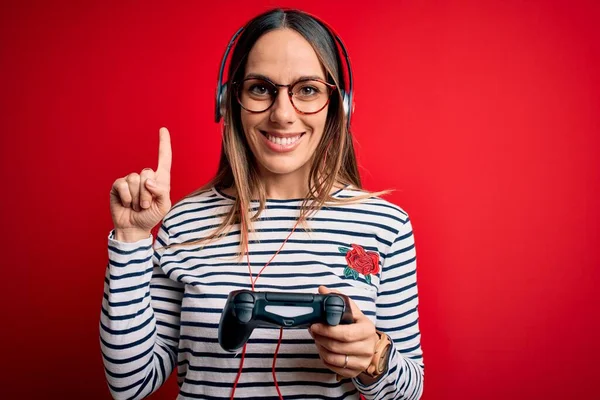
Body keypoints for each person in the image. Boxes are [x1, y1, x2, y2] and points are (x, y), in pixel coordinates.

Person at [100, 8, 424, 400]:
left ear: (340, 104)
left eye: (307, 89)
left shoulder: (384, 225)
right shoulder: (181, 222)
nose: (283, 114)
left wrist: (375, 358)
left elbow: (410, 391)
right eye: (260, 88)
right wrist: (132, 239)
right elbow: (129, 383)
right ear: (230, 99)